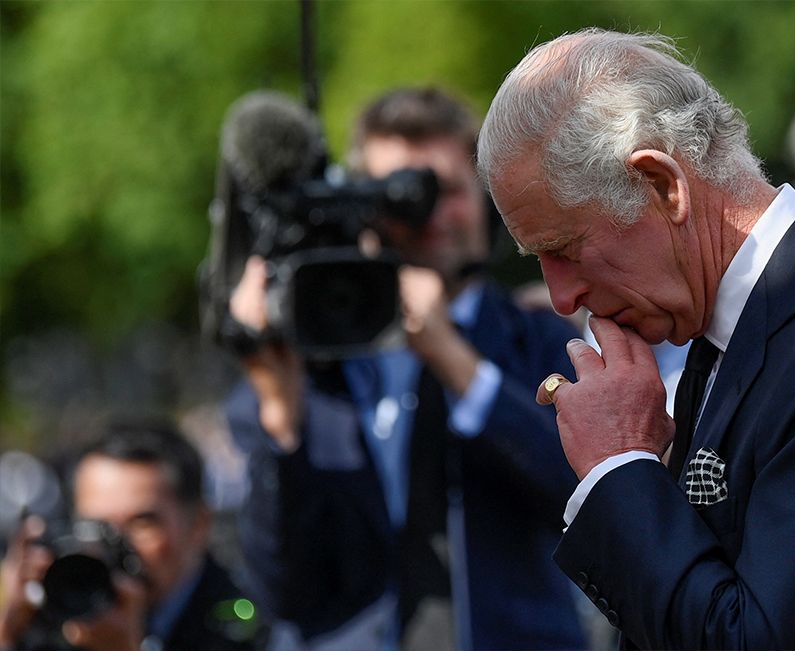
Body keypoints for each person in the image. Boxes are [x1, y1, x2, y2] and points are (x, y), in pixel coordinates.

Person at [478, 27, 795, 650]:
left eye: (566, 249)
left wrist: (619, 467)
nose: (560, 297)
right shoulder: (747, 323)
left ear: (662, 185)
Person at [224, 87, 586, 650]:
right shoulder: (313, 364)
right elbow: (283, 590)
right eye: (397, 195)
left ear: (487, 201)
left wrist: (455, 361)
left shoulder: (539, 340)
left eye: (445, 190)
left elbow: (581, 502)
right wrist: (280, 412)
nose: (429, 216)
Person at [0, 419, 268, 651]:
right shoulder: (62, 611)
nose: (116, 545)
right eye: (96, 527)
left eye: (141, 523)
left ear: (199, 525)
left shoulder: (245, 621)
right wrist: (8, 632)